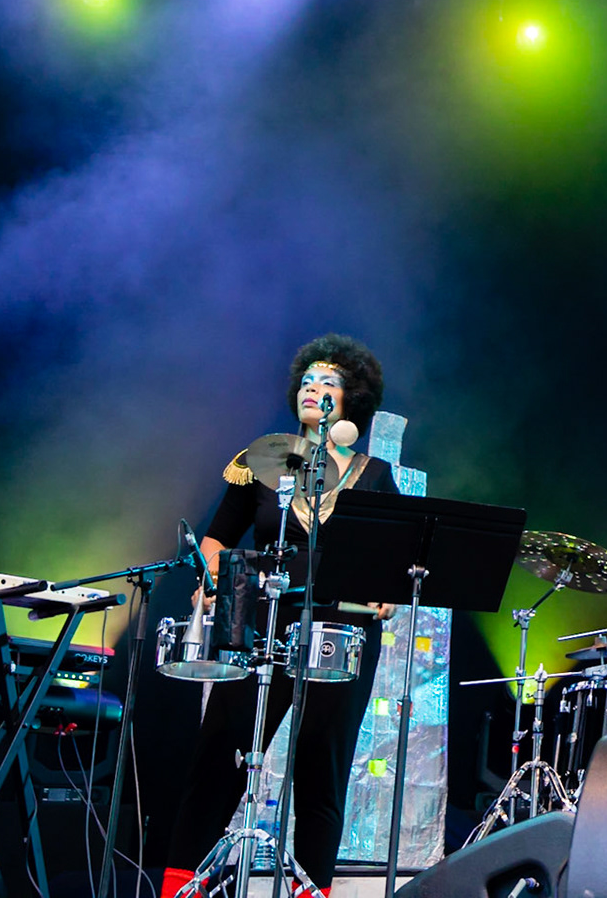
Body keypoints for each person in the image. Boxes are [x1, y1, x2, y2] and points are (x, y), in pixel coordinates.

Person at [162, 335, 398, 898]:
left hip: (340, 633)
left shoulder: (375, 474)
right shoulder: (262, 460)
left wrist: (385, 588)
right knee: (219, 757)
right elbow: (217, 538)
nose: (313, 390)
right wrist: (212, 577)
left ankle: (311, 890)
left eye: (329, 383)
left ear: (352, 402)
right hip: (257, 624)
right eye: (307, 382)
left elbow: (391, 560)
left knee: (322, 772)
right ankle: (178, 888)